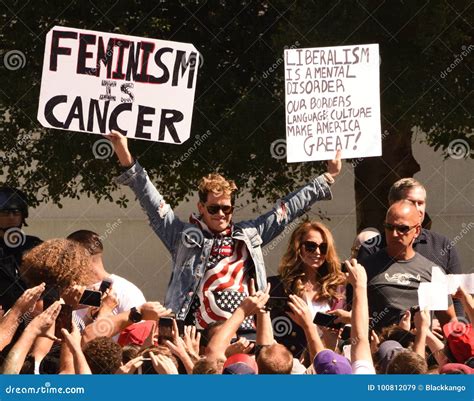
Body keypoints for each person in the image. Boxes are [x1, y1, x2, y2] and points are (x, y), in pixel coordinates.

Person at [106, 130, 342, 331]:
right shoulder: (184, 237)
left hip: (245, 330)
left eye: (226, 209)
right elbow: (152, 202)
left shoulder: (249, 234)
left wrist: (326, 179)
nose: (221, 214)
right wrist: (125, 156)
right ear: (201, 207)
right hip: (196, 332)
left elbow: (286, 211)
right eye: (214, 208)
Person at [357, 178, 464, 316]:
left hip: (431, 335)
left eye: (421, 203)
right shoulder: (371, 249)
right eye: (411, 202)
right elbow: (358, 303)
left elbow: (456, 299)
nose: (418, 209)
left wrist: (450, 329)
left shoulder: (442, 245)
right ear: (393, 205)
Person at [363, 200, 456, 330]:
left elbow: (449, 322)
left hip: (420, 347)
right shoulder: (366, 267)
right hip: (379, 347)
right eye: (389, 227)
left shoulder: (433, 271)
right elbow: (352, 314)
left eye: (402, 228)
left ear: (417, 230)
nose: (394, 234)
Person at [267, 220, 345, 358]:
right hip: (291, 361)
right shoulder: (279, 286)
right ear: (298, 247)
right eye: (310, 246)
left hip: (327, 359)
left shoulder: (338, 288)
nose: (317, 252)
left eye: (323, 247)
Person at [67, 230, 146, 323]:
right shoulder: (72, 295)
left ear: (80, 257)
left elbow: (139, 333)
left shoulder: (125, 291)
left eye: (68, 257)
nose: (66, 263)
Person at [0, 187, 42, 310]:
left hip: (31, 316)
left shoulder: (35, 245)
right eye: (5, 213)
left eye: (16, 212)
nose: (11, 217)